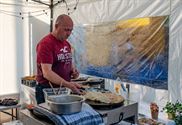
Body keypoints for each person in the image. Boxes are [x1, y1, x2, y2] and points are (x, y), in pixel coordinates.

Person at [35, 14, 82, 104]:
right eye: (66, 29)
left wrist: (73, 71)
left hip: (63, 89)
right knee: (48, 117)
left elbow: (67, 63)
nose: (68, 33)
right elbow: (47, 73)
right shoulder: (46, 44)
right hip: (47, 90)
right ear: (56, 26)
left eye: (71, 30)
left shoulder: (66, 44)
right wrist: (68, 84)